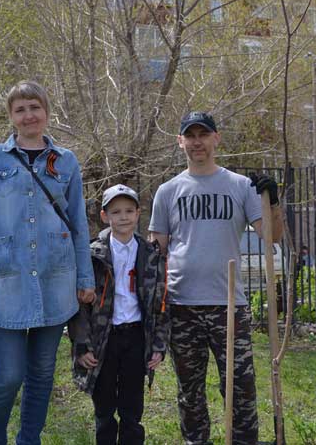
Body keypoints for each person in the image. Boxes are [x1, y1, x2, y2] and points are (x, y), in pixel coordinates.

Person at [0, 80, 96, 445]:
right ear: (11, 117)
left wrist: (85, 276)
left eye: (34, 107)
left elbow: (79, 224)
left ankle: (28, 440)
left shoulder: (66, 162)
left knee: (41, 374)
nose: (28, 115)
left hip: (55, 281)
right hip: (4, 283)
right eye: (20, 109)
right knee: (7, 376)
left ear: (47, 112)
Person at [149, 111, 283, 445]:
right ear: (180, 141)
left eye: (203, 135)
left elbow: (272, 236)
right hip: (182, 306)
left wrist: (273, 202)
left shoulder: (240, 186)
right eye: (190, 136)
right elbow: (154, 251)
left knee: (240, 389)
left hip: (229, 306)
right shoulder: (167, 191)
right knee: (189, 393)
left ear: (216, 139)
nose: (197, 142)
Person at [68, 184, 170, 445]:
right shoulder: (92, 254)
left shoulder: (151, 255)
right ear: (105, 216)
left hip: (136, 336)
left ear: (138, 214)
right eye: (115, 212)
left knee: (132, 405)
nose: (123, 217)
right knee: (103, 406)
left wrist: (158, 344)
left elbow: (161, 303)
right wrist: (82, 344)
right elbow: (79, 306)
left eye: (128, 211)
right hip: (105, 339)